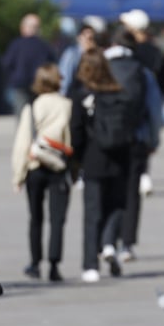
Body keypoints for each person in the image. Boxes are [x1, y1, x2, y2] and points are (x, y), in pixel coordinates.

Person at [69, 49, 131, 283]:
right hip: (119, 156)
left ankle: (90, 265)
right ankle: (108, 243)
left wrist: (75, 161)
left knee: (92, 212)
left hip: (93, 158)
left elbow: (76, 133)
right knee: (117, 205)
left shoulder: (81, 96)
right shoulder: (119, 93)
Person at [104, 29, 162, 264]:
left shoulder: (102, 68)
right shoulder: (143, 72)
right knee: (131, 193)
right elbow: (155, 110)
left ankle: (106, 241)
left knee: (107, 191)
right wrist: (153, 140)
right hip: (136, 139)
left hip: (105, 139)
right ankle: (127, 244)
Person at [12, 64, 73, 282]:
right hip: (59, 166)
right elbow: (70, 138)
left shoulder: (33, 105)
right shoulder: (67, 105)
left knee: (35, 217)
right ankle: (55, 265)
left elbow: (22, 142)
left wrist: (18, 175)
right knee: (58, 219)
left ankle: (35, 263)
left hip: (35, 165)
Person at [2, 13, 55, 119]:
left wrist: (13, 77)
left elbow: (7, 63)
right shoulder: (44, 45)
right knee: (37, 116)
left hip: (20, 84)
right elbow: (52, 65)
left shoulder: (16, 44)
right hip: (39, 84)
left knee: (22, 117)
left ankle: (23, 135)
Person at [58, 24, 96, 96]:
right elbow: (65, 76)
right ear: (79, 38)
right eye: (88, 38)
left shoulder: (95, 55)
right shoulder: (72, 54)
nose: (91, 42)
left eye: (92, 39)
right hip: (74, 95)